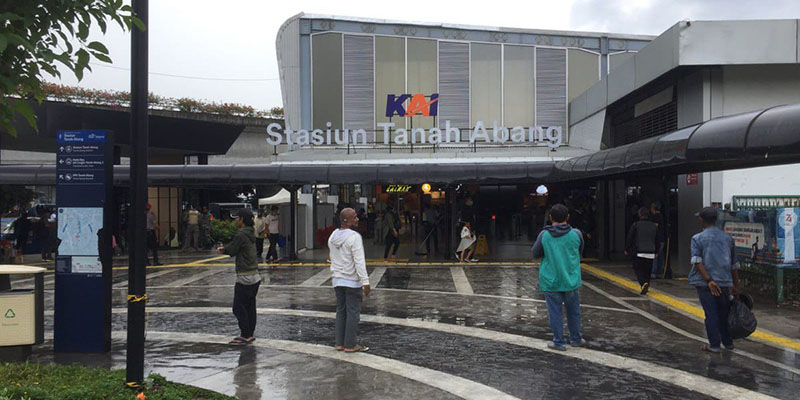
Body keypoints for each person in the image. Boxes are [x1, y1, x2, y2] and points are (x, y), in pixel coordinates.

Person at [531, 204, 586, 351]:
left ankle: (559, 342)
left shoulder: (544, 235)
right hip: (571, 279)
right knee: (574, 311)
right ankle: (576, 338)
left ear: (550, 217)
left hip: (551, 280)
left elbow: (535, 253)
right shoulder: (576, 234)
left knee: (554, 312)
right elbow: (580, 250)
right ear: (568, 217)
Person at [690, 206, 740, 353]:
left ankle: (714, 345)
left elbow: (697, 261)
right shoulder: (728, 238)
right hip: (724, 282)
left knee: (711, 314)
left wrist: (709, 280)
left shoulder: (697, 238)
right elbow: (734, 265)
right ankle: (728, 343)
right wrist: (736, 286)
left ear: (702, 220)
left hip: (705, 284)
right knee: (724, 313)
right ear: (716, 219)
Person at [328, 207, 370, 353]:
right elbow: (359, 262)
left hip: (337, 280)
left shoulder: (333, 236)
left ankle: (340, 343)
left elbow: (331, 256)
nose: (357, 219)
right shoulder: (354, 237)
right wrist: (365, 282)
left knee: (341, 311)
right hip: (352, 281)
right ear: (347, 220)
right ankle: (350, 344)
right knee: (353, 312)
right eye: (354, 217)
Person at [217, 208, 261, 345]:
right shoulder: (251, 232)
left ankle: (245, 334)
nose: (235, 220)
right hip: (255, 275)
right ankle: (250, 333)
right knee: (250, 307)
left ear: (241, 220)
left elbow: (233, 249)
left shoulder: (241, 234)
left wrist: (223, 250)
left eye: (237, 218)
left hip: (245, 276)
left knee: (238, 307)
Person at [625, 207, 659, 295]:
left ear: (639, 215)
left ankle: (643, 283)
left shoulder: (636, 225)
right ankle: (646, 283)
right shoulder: (654, 226)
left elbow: (630, 238)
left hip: (639, 252)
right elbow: (657, 239)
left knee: (638, 269)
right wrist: (656, 251)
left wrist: (627, 249)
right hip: (651, 252)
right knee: (648, 270)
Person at [650, 201, 666, 278]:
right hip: (662, 238)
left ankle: (654, 272)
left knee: (655, 255)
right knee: (660, 255)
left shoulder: (655, 216)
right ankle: (659, 272)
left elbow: (655, 227)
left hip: (657, 238)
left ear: (653, 208)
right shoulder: (662, 216)